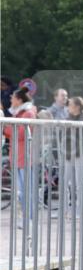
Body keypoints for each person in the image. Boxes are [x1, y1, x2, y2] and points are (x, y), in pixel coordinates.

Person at [3, 87, 38, 224]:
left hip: (25, 156)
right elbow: (13, 132)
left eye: (12, 98)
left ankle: (28, 218)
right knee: (21, 191)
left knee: (26, 190)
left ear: (19, 100)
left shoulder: (27, 113)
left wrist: (6, 127)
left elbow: (21, 133)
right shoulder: (19, 113)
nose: (10, 100)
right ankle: (25, 217)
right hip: (18, 156)